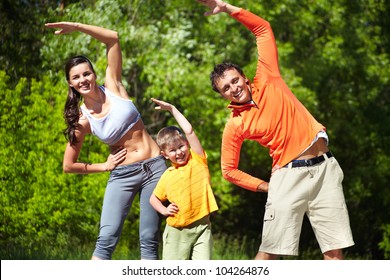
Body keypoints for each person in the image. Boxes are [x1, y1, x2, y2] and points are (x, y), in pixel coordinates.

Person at [195, 0, 354, 260]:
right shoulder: (236, 124)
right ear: (223, 95)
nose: (234, 88)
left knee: (334, 254)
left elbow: (263, 29)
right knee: (270, 254)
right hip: (288, 177)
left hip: (326, 169)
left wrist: (227, 8)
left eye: (235, 80)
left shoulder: (268, 77)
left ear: (244, 77)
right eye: (226, 88)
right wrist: (265, 187)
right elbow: (228, 170)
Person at [45, 22, 167, 260]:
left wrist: (76, 27)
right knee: (106, 239)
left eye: (86, 73)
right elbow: (68, 165)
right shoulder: (82, 120)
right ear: (70, 83)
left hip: (155, 167)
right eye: (76, 77)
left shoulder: (114, 85)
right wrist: (104, 166)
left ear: (94, 74)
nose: (83, 79)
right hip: (122, 175)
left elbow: (113, 38)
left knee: (149, 239)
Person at [149, 98, 219, 260]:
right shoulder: (167, 175)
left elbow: (189, 131)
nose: (179, 152)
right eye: (172, 150)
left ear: (187, 145)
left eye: (181, 146)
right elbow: (153, 199)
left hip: (202, 227)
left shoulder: (198, 160)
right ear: (164, 155)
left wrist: (172, 109)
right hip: (177, 232)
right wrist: (164, 210)